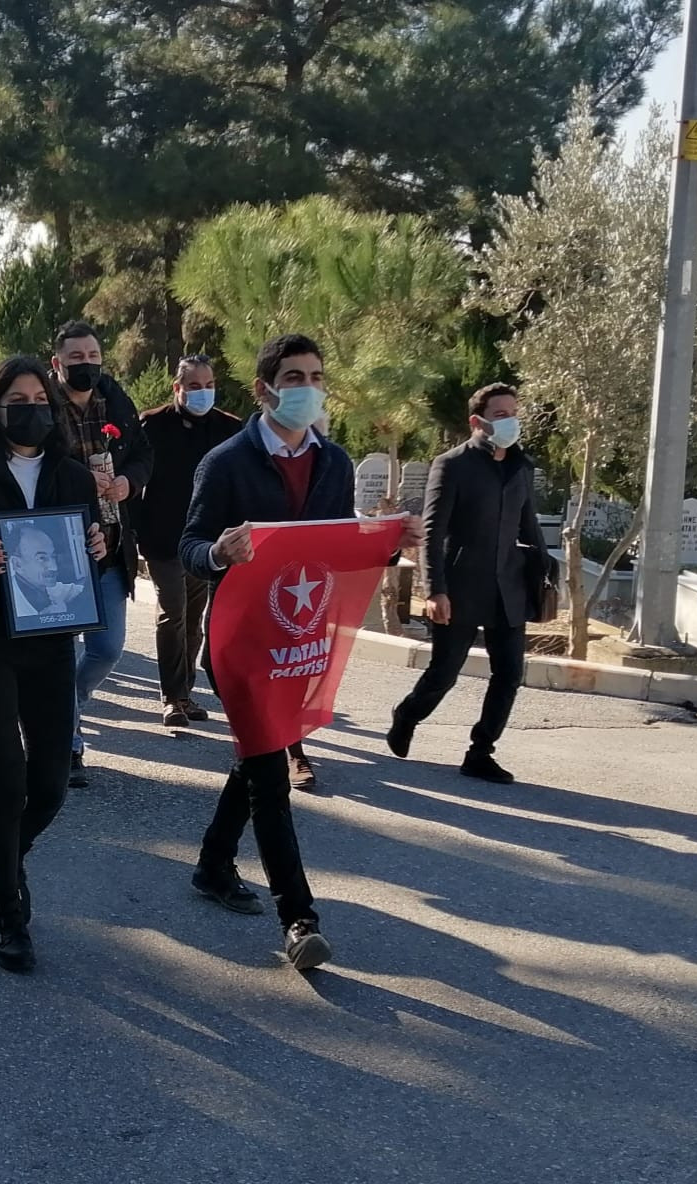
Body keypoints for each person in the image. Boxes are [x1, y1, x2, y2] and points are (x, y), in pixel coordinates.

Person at [180, 332, 420, 971]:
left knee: (255, 760)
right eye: (293, 377)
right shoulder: (226, 463)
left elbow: (334, 549)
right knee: (270, 777)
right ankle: (299, 918)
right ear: (264, 389)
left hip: (297, 639)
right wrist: (216, 554)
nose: (306, 387)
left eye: (315, 375)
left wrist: (393, 541)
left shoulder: (335, 463)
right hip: (240, 646)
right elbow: (190, 546)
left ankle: (210, 865)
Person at [0, 356, 105, 972]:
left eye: (39, 398)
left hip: (53, 648)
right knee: (7, 783)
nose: (29, 408)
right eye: (16, 398)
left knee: (51, 787)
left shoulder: (77, 480)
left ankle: (8, 859)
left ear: (53, 409)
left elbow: (100, 560)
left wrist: (100, 549)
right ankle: (9, 911)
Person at [388, 383, 549, 785]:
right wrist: (434, 589)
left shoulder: (521, 466)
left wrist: (543, 576)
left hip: (508, 588)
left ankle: (480, 752)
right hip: (459, 587)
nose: (511, 420)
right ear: (477, 422)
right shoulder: (452, 464)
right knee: (445, 672)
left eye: (514, 412)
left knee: (509, 674)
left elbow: (529, 525)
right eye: (500, 415)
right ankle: (407, 714)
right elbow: (432, 529)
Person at [49, 321, 153, 787]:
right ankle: (68, 744)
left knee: (107, 649)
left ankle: (67, 703)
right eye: (76, 358)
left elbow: (144, 455)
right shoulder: (43, 408)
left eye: (92, 356)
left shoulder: (117, 401)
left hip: (111, 544)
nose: (86, 365)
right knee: (63, 648)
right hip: (60, 547)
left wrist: (129, 482)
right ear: (58, 363)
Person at [135, 354, 241, 727]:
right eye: (194, 386)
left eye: (209, 385)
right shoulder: (152, 425)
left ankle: (186, 692)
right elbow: (137, 478)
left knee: (195, 619)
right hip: (162, 538)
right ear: (177, 388)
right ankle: (171, 696)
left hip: (206, 543)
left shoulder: (229, 429)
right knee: (173, 612)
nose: (203, 392)